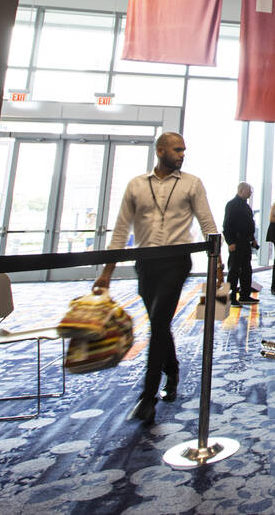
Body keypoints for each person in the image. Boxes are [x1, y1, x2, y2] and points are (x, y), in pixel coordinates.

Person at [92, 132, 221, 425]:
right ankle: (172, 368)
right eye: (177, 150)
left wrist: (218, 264)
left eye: (184, 150)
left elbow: (207, 223)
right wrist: (107, 273)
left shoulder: (192, 184)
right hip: (146, 263)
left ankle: (148, 397)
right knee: (157, 322)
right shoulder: (137, 186)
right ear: (160, 151)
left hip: (177, 262)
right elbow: (121, 230)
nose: (182, 154)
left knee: (160, 322)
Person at [222, 182, 258, 305]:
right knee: (234, 272)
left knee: (247, 270)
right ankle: (231, 298)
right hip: (236, 243)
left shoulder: (246, 206)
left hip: (246, 242)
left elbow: (249, 225)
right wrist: (230, 242)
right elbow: (226, 226)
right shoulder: (232, 205)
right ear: (241, 190)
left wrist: (252, 239)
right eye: (249, 190)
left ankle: (244, 295)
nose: (250, 193)